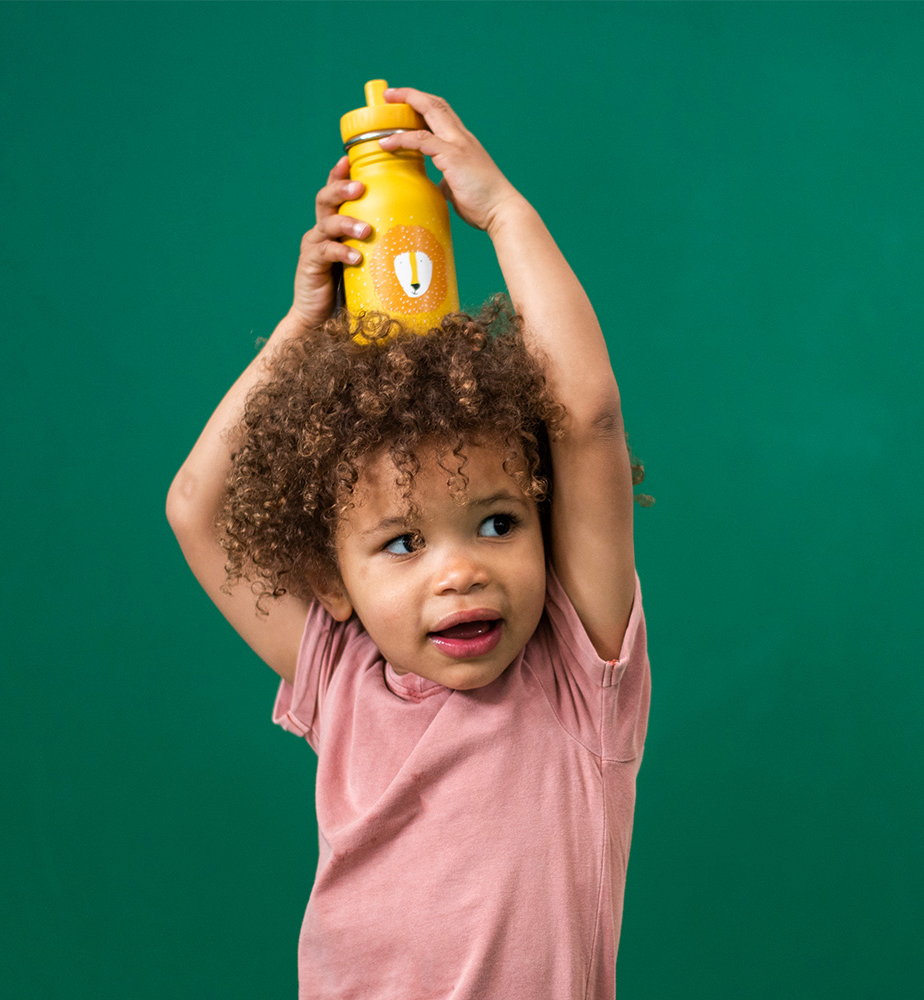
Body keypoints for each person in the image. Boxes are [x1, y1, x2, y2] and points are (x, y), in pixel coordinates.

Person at [167, 86, 652, 1000]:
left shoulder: (577, 675)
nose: (461, 570)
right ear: (330, 579)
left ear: (549, 523)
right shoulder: (341, 679)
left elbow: (587, 418)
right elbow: (196, 505)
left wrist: (503, 211)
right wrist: (304, 322)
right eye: (400, 544)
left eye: (499, 524)